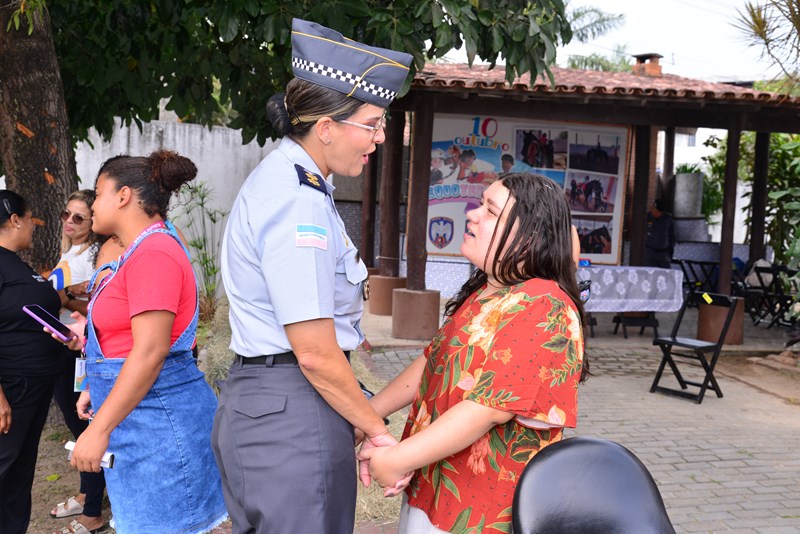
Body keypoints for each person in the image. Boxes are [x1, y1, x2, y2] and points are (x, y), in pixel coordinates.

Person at [213, 18, 413, 533]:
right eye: (371, 124)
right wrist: (376, 430)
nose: (380, 138)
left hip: (284, 404)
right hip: (292, 409)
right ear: (326, 126)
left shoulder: (301, 187)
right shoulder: (296, 201)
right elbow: (316, 352)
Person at [358, 173, 588, 533]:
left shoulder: (544, 304)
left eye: (490, 210)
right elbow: (430, 362)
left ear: (528, 238)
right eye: (480, 203)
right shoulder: (489, 290)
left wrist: (399, 458)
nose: (473, 214)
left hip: (481, 511)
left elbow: (488, 409)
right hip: (435, 487)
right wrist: (367, 417)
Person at [65, 151, 227, 533]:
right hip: (139, 420)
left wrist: (99, 429)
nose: (94, 205)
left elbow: (151, 351)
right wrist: (96, 384)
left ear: (123, 196)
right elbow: (124, 339)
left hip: (160, 425)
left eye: (99, 194)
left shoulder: (154, 252)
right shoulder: (137, 250)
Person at [0, 191, 72, 534]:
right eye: (29, 219)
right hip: (11, 388)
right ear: (14, 220)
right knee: (5, 465)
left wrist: (70, 296)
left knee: (20, 469)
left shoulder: (17, 263)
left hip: (35, 386)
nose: (32, 226)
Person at [47, 190, 107, 534]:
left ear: (92, 222)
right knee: (77, 427)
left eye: (79, 218)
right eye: (66, 215)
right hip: (63, 347)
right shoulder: (71, 252)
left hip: (80, 352)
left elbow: (96, 306)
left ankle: (93, 512)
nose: (70, 222)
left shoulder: (95, 257)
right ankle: (87, 494)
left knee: (86, 428)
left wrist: (67, 297)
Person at [645, 198, 676, 268]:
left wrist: (670, 253)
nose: (655, 213)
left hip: (664, 255)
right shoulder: (647, 217)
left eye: (658, 212)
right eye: (654, 210)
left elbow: (672, 237)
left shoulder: (668, 219)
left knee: (665, 274)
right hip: (649, 253)